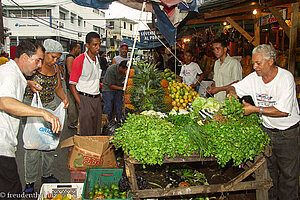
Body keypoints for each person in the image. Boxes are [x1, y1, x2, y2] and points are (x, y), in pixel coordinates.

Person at [226, 44, 300, 200]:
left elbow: (283, 111)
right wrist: (232, 93)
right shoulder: (254, 78)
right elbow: (234, 87)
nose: (254, 67)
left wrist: (254, 109)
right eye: (253, 63)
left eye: (258, 63)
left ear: (271, 61)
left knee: (288, 175)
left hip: (288, 134)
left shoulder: (285, 78)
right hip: (267, 132)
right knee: (269, 173)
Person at [0, 40, 61, 197]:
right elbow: (4, 102)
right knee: (12, 191)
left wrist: (27, 83)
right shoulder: (10, 74)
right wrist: (42, 112)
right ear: (24, 57)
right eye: (37, 60)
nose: (40, 65)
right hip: (1, 146)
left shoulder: (14, 73)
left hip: (5, 145)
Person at [23, 39, 69, 193]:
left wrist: (64, 98)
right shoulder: (35, 66)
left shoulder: (56, 68)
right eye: (52, 57)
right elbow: (23, 82)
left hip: (49, 107)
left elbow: (57, 87)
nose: (55, 61)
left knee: (50, 142)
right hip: (32, 107)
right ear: (45, 54)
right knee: (33, 146)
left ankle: (46, 175)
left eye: (57, 58)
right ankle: (30, 182)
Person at [69, 32, 102, 136]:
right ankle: (87, 152)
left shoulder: (97, 59)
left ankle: (95, 151)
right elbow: (72, 85)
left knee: (97, 130)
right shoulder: (79, 60)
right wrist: (80, 103)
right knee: (86, 132)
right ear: (87, 45)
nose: (98, 47)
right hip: (85, 99)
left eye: (99, 44)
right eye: (95, 45)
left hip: (97, 99)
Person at [65, 42, 81, 129]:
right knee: (71, 105)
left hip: (74, 85)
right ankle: (72, 122)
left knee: (75, 104)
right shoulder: (70, 58)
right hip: (72, 85)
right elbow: (70, 72)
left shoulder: (73, 57)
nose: (79, 50)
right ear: (74, 48)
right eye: (78, 48)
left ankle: (75, 121)